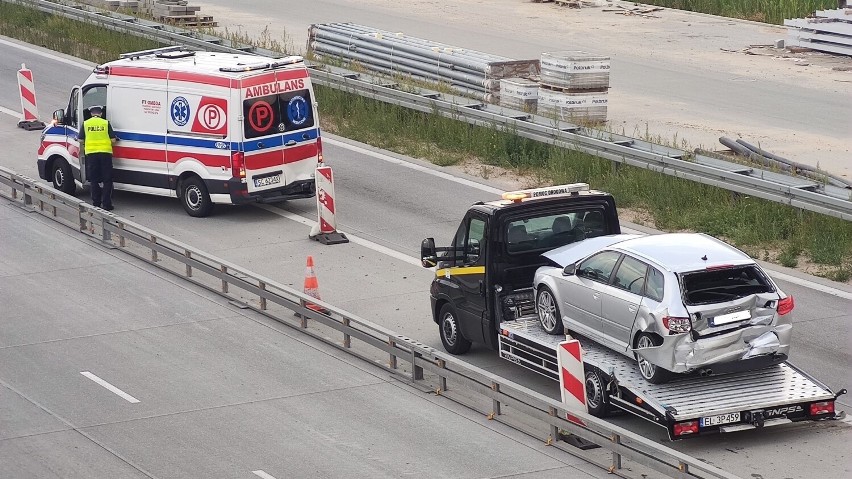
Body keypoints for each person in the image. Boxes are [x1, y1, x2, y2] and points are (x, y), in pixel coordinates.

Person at [79, 105, 117, 210]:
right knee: (107, 180)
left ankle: (96, 203)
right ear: (100, 114)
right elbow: (113, 140)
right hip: (105, 153)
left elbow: (80, 140)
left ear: (91, 114)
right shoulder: (105, 123)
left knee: (94, 180)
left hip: (91, 154)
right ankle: (107, 204)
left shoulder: (86, 124)